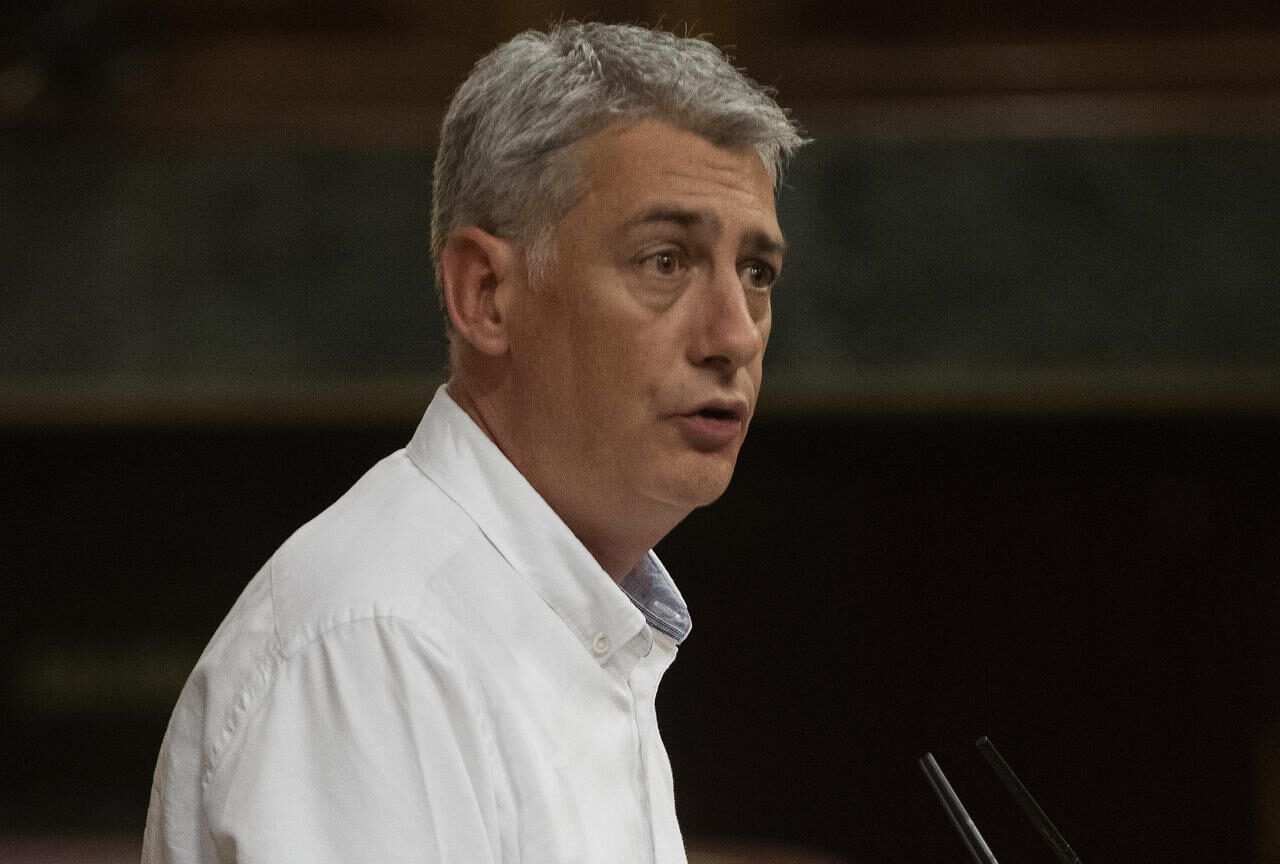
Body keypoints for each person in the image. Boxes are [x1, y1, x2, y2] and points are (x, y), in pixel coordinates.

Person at [143, 21, 804, 864]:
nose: (735, 335)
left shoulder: (582, 624)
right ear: (486, 294)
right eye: (665, 260)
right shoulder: (380, 644)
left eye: (757, 273)